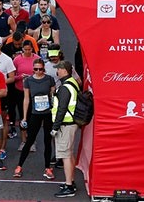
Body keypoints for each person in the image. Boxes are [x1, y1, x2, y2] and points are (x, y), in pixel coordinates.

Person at [15, 58, 57, 180]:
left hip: (48, 113)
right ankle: (19, 166)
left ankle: (47, 167)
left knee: (47, 141)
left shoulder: (49, 79)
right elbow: (26, 99)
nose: (38, 71)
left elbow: (53, 95)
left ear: (44, 69)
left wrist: (54, 111)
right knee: (30, 140)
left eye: (40, 69)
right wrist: (24, 117)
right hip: (35, 113)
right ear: (33, 69)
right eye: (36, 69)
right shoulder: (28, 80)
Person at [51, 60, 80, 198]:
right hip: (71, 124)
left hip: (65, 125)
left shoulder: (64, 87)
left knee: (65, 156)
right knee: (69, 154)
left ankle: (69, 186)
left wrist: (55, 127)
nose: (57, 71)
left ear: (64, 70)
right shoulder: (73, 82)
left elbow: (62, 109)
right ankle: (71, 182)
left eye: (58, 69)